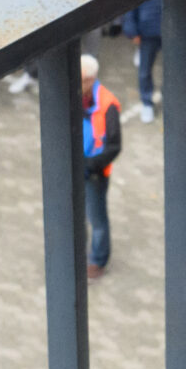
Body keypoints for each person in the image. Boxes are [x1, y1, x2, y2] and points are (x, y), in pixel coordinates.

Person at [77, 54, 120, 281]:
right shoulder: (76, 96)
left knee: (97, 218)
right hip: (76, 167)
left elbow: (114, 146)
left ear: (91, 79)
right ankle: (79, 252)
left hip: (94, 173)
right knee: (78, 213)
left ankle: (98, 260)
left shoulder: (107, 104)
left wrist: (90, 165)